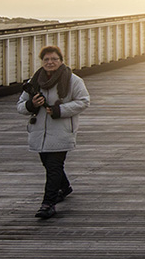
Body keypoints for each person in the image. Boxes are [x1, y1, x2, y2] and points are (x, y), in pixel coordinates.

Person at [17, 44, 91, 219]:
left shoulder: (73, 80)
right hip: (39, 131)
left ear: (61, 61)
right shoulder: (33, 82)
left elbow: (84, 101)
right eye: (46, 59)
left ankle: (48, 204)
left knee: (53, 166)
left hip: (61, 131)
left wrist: (60, 110)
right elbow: (20, 106)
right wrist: (31, 104)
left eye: (54, 59)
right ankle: (64, 187)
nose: (50, 62)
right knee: (49, 165)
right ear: (42, 62)